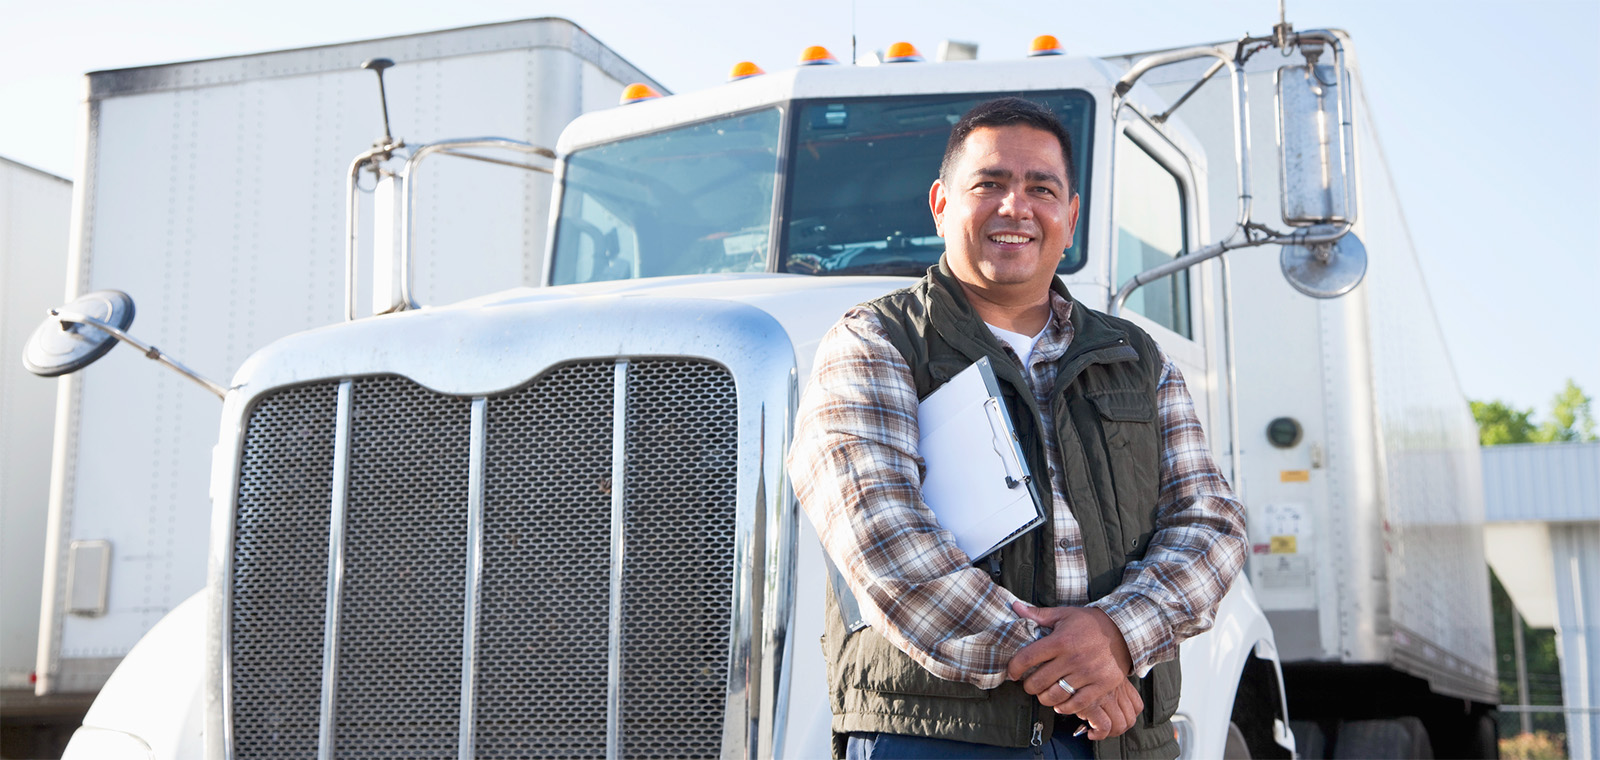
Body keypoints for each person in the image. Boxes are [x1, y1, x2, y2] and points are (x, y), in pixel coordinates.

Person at [787, 97, 1246, 759]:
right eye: (990, 185)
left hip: (1121, 737)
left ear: (1071, 216)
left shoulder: (1138, 358)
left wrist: (1117, 635)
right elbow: (882, 539)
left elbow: (1212, 523)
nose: (1015, 208)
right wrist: (1072, 667)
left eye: (1041, 189)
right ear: (942, 203)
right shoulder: (874, 342)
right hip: (940, 738)